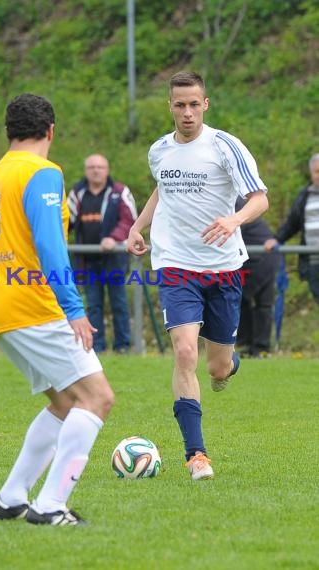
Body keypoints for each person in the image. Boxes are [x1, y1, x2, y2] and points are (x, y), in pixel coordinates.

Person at [0, 94, 114, 526]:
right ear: (51, 131)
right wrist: (73, 307)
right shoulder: (42, 172)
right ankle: (51, 505)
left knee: (63, 402)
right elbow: (50, 244)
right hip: (35, 305)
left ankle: (11, 496)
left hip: (0, 308)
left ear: (8, 132)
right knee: (97, 398)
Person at [127, 71, 268, 481]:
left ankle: (227, 365)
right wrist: (138, 226)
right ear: (169, 106)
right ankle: (197, 455)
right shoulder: (159, 151)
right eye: (179, 104)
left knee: (217, 367)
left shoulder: (225, 146)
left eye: (194, 104)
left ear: (205, 104)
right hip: (175, 264)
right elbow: (161, 189)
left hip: (223, 268)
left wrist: (234, 219)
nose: (187, 112)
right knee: (186, 352)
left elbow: (259, 198)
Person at [67, 154, 137, 353]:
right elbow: (66, 221)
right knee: (93, 305)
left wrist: (113, 238)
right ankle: (96, 346)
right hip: (87, 260)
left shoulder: (119, 192)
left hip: (114, 259)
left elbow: (130, 220)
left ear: (107, 169)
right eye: (91, 167)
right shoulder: (77, 194)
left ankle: (122, 346)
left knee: (119, 304)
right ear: (86, 170)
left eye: (100, 167)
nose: (96, 170)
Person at [265, 153, 319, 304]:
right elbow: (292, 223)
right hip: (314, 263)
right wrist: (276, 239)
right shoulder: (305, 196)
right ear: (311, 173)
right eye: (317, 171)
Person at [235, 197, 280, 357]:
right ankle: (248, 346)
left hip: (262, 260)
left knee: (259, 304)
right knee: (244, 301)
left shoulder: (236, 204)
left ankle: (258, 347)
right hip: (251, 261)